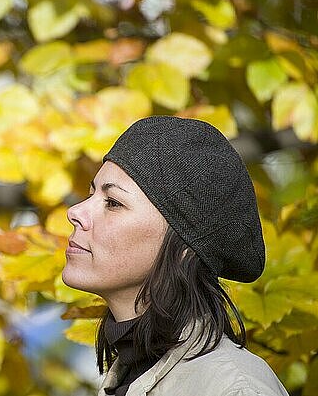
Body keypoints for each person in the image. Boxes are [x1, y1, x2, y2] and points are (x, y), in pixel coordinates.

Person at [63, 116, 289, 396]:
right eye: (91, 193)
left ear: (184, 248)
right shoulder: (126, 377)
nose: (76, 212)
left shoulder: (232, 389)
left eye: (113, 203)